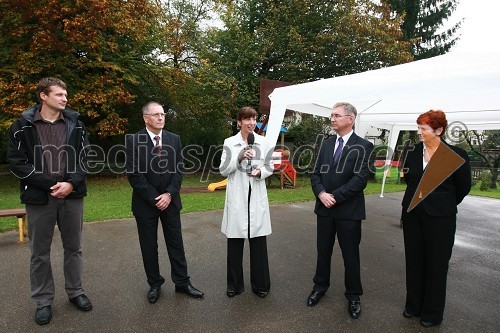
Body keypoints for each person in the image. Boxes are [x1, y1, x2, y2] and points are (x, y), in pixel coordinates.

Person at [7, 77, 92, 325]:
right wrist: (48, 184)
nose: (65, 98)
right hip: (39, 197)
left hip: (72, 195)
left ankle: (75, 292)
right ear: (43, 96)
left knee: (73, 248)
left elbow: (87, 158)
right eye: (59, 94)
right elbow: (17, 161)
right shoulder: (22, 126)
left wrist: (71, 183)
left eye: (65, 94)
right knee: (39, 252)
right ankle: (43, 301)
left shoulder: (76, 124)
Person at [126, 101, 204, 303]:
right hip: (145, 204)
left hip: (171, 202)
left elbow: (179, 169)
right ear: (145, 118)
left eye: (162, 114)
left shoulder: (173, 139)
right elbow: (134, 175)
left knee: (176, 244)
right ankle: (154, 284)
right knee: (149, 246)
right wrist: (155, 198)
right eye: (156, 115)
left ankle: (182, 282)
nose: (161, 118)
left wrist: (169, 194)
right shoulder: (134, 141)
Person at [400, 110, 471, 328]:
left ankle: (432, 313)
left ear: (439, 130)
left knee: (436, 265)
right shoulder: (412, 151)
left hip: (441, 219)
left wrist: (443, 205)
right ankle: (413, 306)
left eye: (424, 128)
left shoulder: (456, 155)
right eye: (418, 127)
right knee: (414, 261)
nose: (419, 132)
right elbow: (409, 181)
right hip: (412, 216)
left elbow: (463, 188)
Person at [307, 102, 373, 319]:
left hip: (349, 211)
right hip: (324, 209)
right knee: (322, 252)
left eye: (336, 115)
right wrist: (321, 194)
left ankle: (353, 295)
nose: (332, 119)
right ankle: (320, 287)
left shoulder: (363, 146)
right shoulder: (325, 144)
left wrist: (335, 196)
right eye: (331, 115)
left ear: (350, 119)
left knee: (351, 255)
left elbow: (360, 179)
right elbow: (315, 173)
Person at [219, 107, 273, 298]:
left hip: (256, 195)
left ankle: (260, 285)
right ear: (239, 122)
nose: (251, 123)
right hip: (237, 199)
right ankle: (234, 285)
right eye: (247, 119)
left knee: (258, 244)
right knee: (234, 243)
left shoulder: (264, 141)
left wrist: (260, 172)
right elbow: (223, 170)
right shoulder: (229, 142)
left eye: (254, 119)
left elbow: (270, 166)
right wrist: (239, 156)